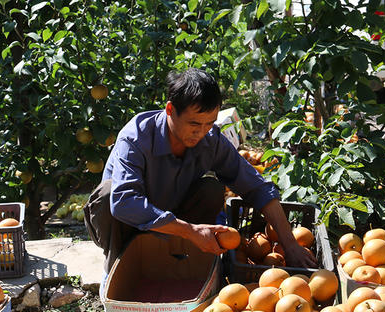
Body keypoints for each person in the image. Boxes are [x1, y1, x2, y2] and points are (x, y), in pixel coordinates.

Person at [84, 68, 317, 294]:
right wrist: (190, 230)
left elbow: (256, 187)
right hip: (124, 225)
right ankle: (116, 266)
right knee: (109, 194)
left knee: (211, 189)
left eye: (209, 123)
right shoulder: (136, 137)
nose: (202, 132)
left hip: (171, 220)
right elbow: (125, 203)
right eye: (194, 124)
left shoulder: (210, 139)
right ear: (170, 110)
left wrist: (290, 245)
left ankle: (187, 263)